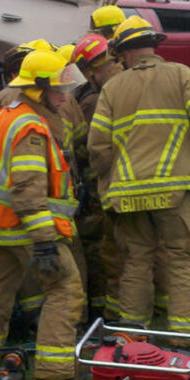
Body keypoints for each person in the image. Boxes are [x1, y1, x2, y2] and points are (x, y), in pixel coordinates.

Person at [88, 17, 190, 334]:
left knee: (137, 260)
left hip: (128, 195)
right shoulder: (181, 75)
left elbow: (98, 148)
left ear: (123, 53)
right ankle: (184, 337)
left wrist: (105, 182)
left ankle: (133, 333)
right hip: (178, 191)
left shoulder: (111, 88)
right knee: (185, 257)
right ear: (154, 46)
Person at [0, 50, 84, 380]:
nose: (65, 97)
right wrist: (46, 242)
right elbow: (27, 190)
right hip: (25, 228)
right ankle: (56, 368)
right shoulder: (31, 128)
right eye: (59, 90)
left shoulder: (11, 112)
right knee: (65, 287)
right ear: (39, 90)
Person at [70, 33, 125, 320]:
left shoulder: (94, 98)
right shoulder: (125, 83)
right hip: (125, 179)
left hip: (103, 183)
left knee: (102, 247)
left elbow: (92, 148)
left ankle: (103, 310)